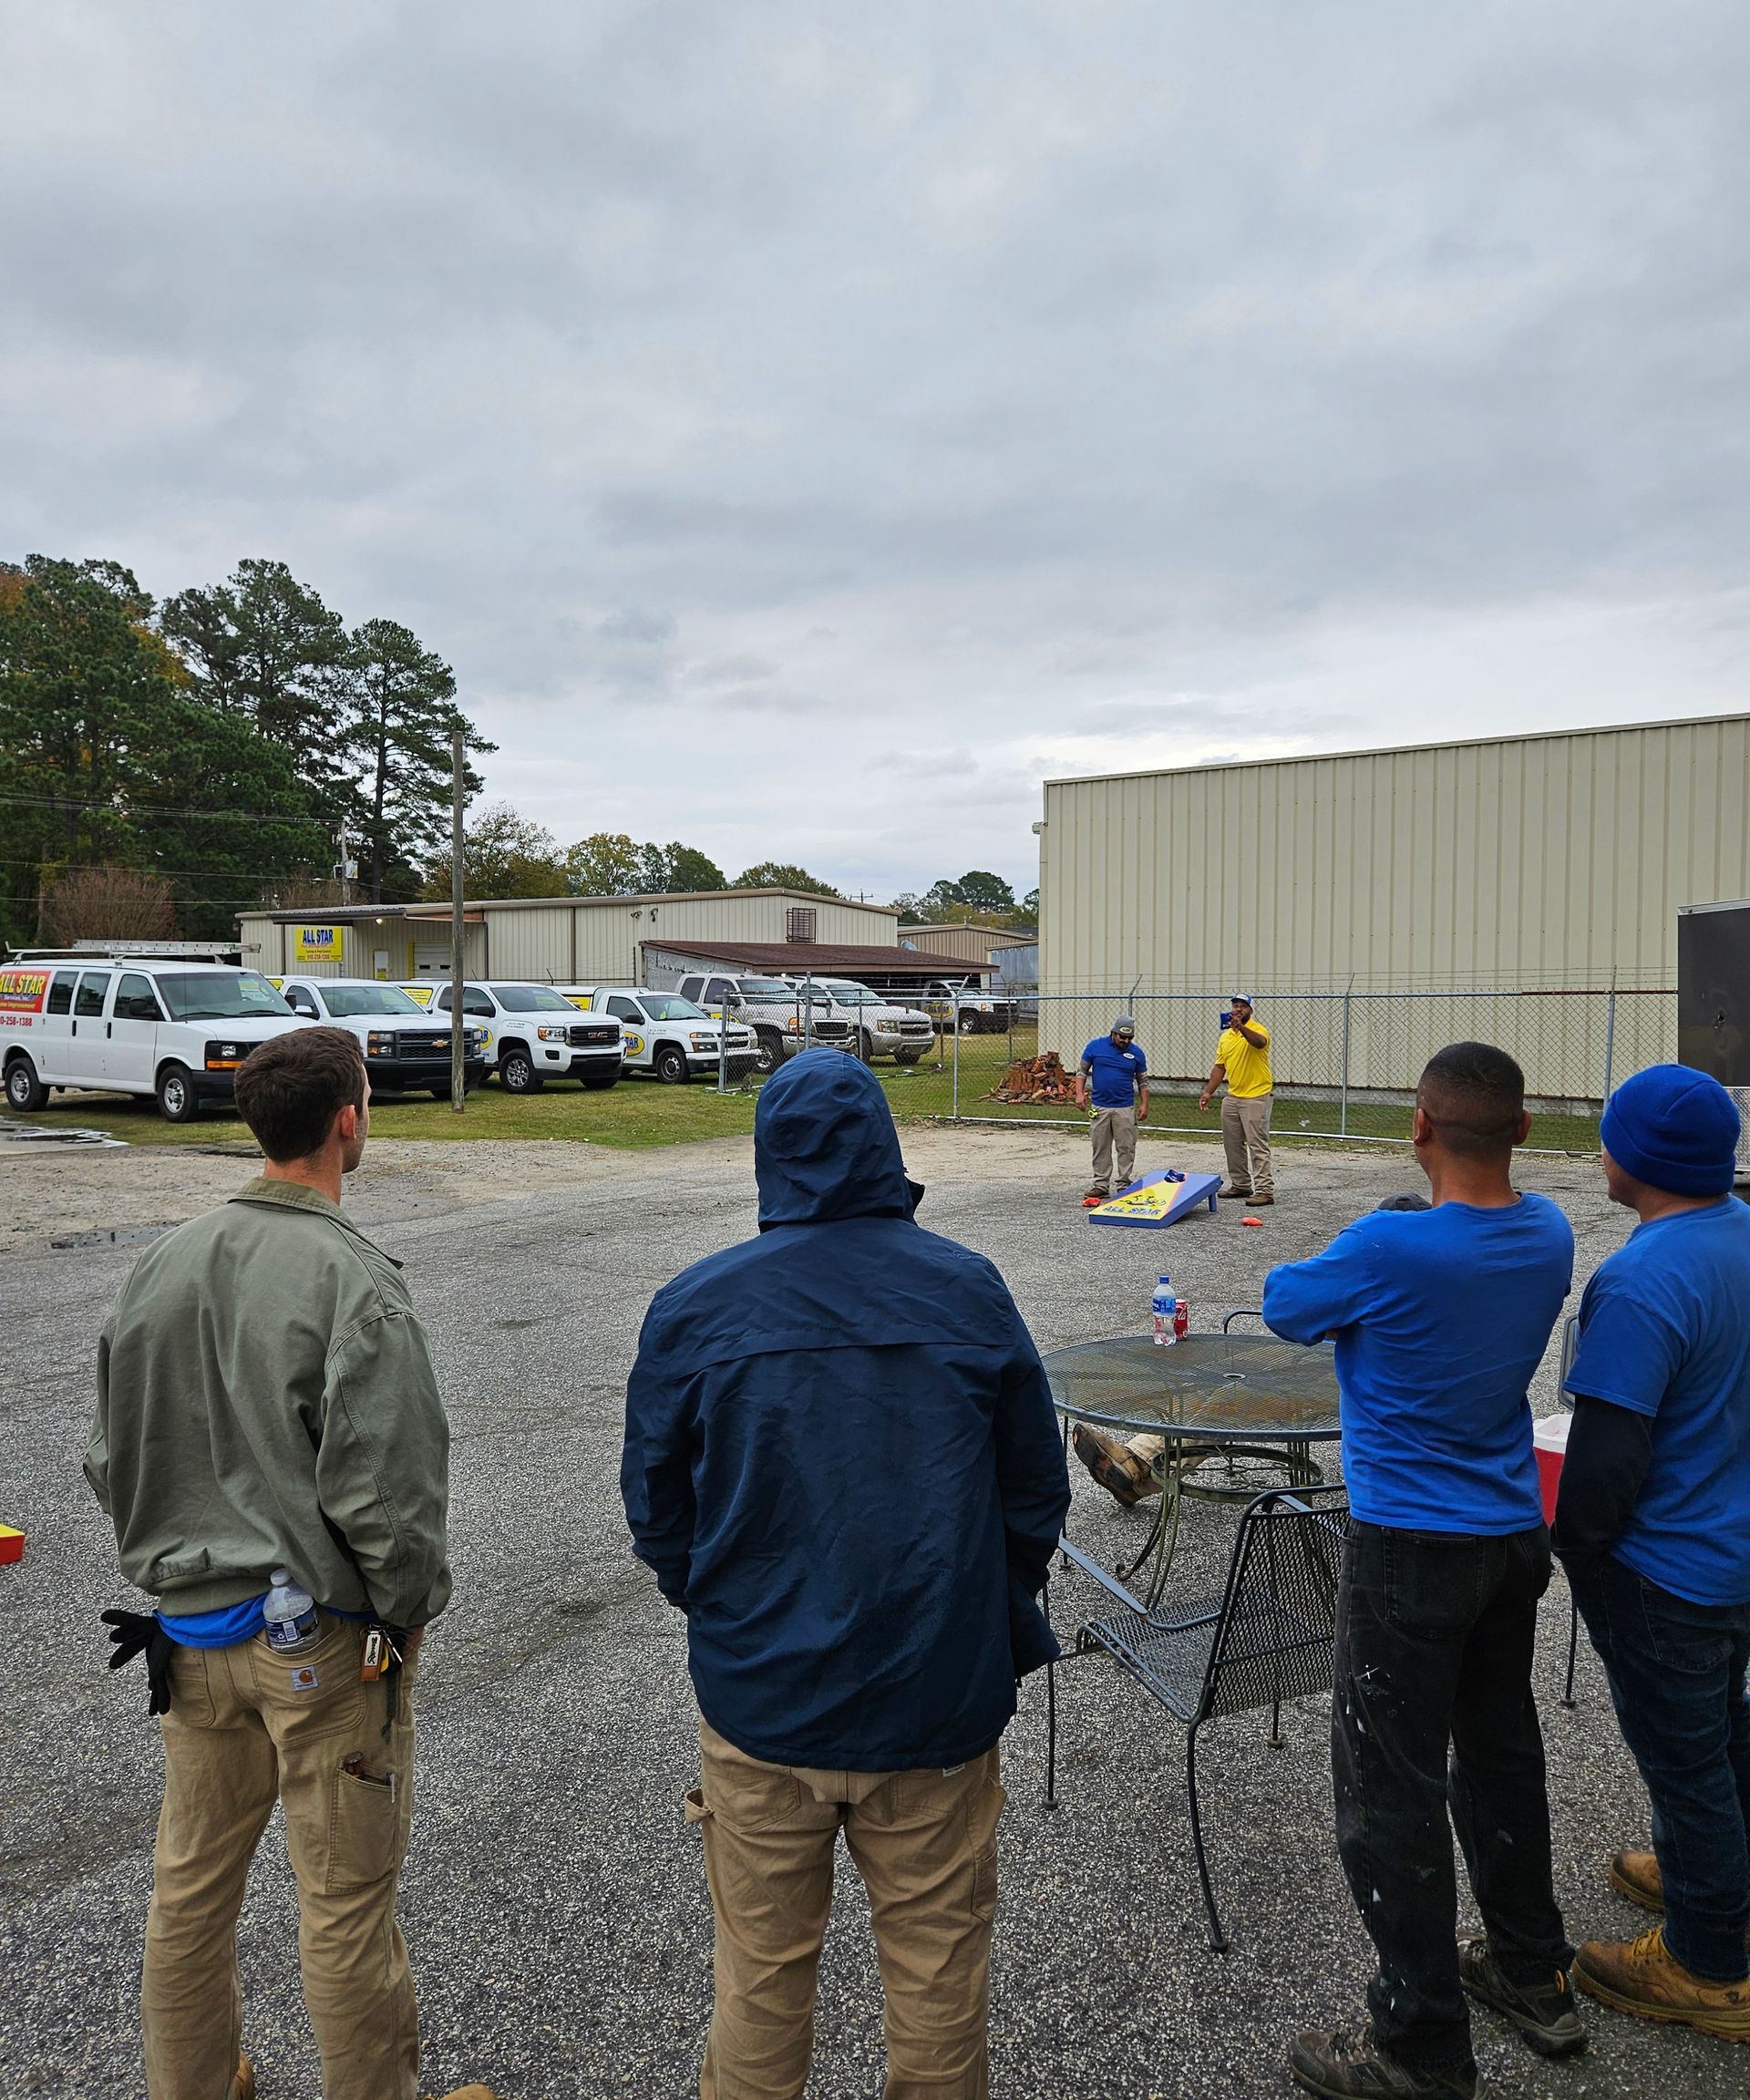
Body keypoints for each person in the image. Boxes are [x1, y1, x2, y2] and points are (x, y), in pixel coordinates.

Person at [622, 1049, 1070, 2100]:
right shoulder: (967, 1288)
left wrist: (726, 1607)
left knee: (762, 1984)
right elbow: (1033, 1495)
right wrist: (976, 1611)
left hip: (764, 1703)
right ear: (884, 1146)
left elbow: (658, 1510)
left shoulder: (695, 1307)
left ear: (769, 1156)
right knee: (938, 1984)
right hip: (933, 1699)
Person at [85, 1028, 489, 2100]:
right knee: (346, 1901)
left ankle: (197, 2084)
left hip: (189, 1638)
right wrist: (406, 1613)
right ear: (349, 1120)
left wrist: (173, 1553)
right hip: (319, 1650)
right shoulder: (356, 1284)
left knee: (190, 1889)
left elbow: (105, 1453)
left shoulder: (158, 1266)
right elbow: (386, 1496)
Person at [1261, 1043, 1582, 2099]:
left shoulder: (1388, 1246)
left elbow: (1284, 1303)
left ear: (1420, 1127)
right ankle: (1534, 1974)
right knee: (1497, 1751)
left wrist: (1382, 1228)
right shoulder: (1549, 1230)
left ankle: (1422, 2045)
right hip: (1506, 1537)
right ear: (1524, 1132)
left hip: (1409, 1548)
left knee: (1387, 1787)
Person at [1553, 1065, 1750, 2041]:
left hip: (1667, 1568)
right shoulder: (1743, 1235)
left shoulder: (1642, 1278)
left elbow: (1606, 1461)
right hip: (1738, 1549)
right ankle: (1714, 1874)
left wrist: (1577, 1551)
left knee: (1686, 1762)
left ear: (1635, 1157)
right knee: (1725, 1733)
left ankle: (1710, 1962)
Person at [1199, 993, 1275, 1205]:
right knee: (1232, 1143)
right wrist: (1208, 1092)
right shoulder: (1226, 1037)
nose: (1238, 1009)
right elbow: (1220, 1067)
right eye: (1235, 1006)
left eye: (1243, 1006)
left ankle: (1265, 1190)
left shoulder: (1258, 1030)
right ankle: (1241, 1184)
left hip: (1256, 1094)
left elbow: (1259, 1043)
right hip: (1234, 1095)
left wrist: (1241, 1027)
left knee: (1256, 1142)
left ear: (1250, 1010)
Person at [1076, 1013, 1149, 1204]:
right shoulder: (1095, 1046)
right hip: (1100, 1107)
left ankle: (1124, 1184)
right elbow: (1082, 1071)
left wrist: (1144, 1104)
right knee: (1100, 1146)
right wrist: (1079, 1093)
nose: (1125, 1041)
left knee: (1126, 1146)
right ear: (1113, 1033)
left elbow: (1143, 1081)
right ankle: (1101, 1185)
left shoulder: (1137, 1053)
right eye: (1121, 1037)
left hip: (1125, 1108)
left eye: (1129, 1038)